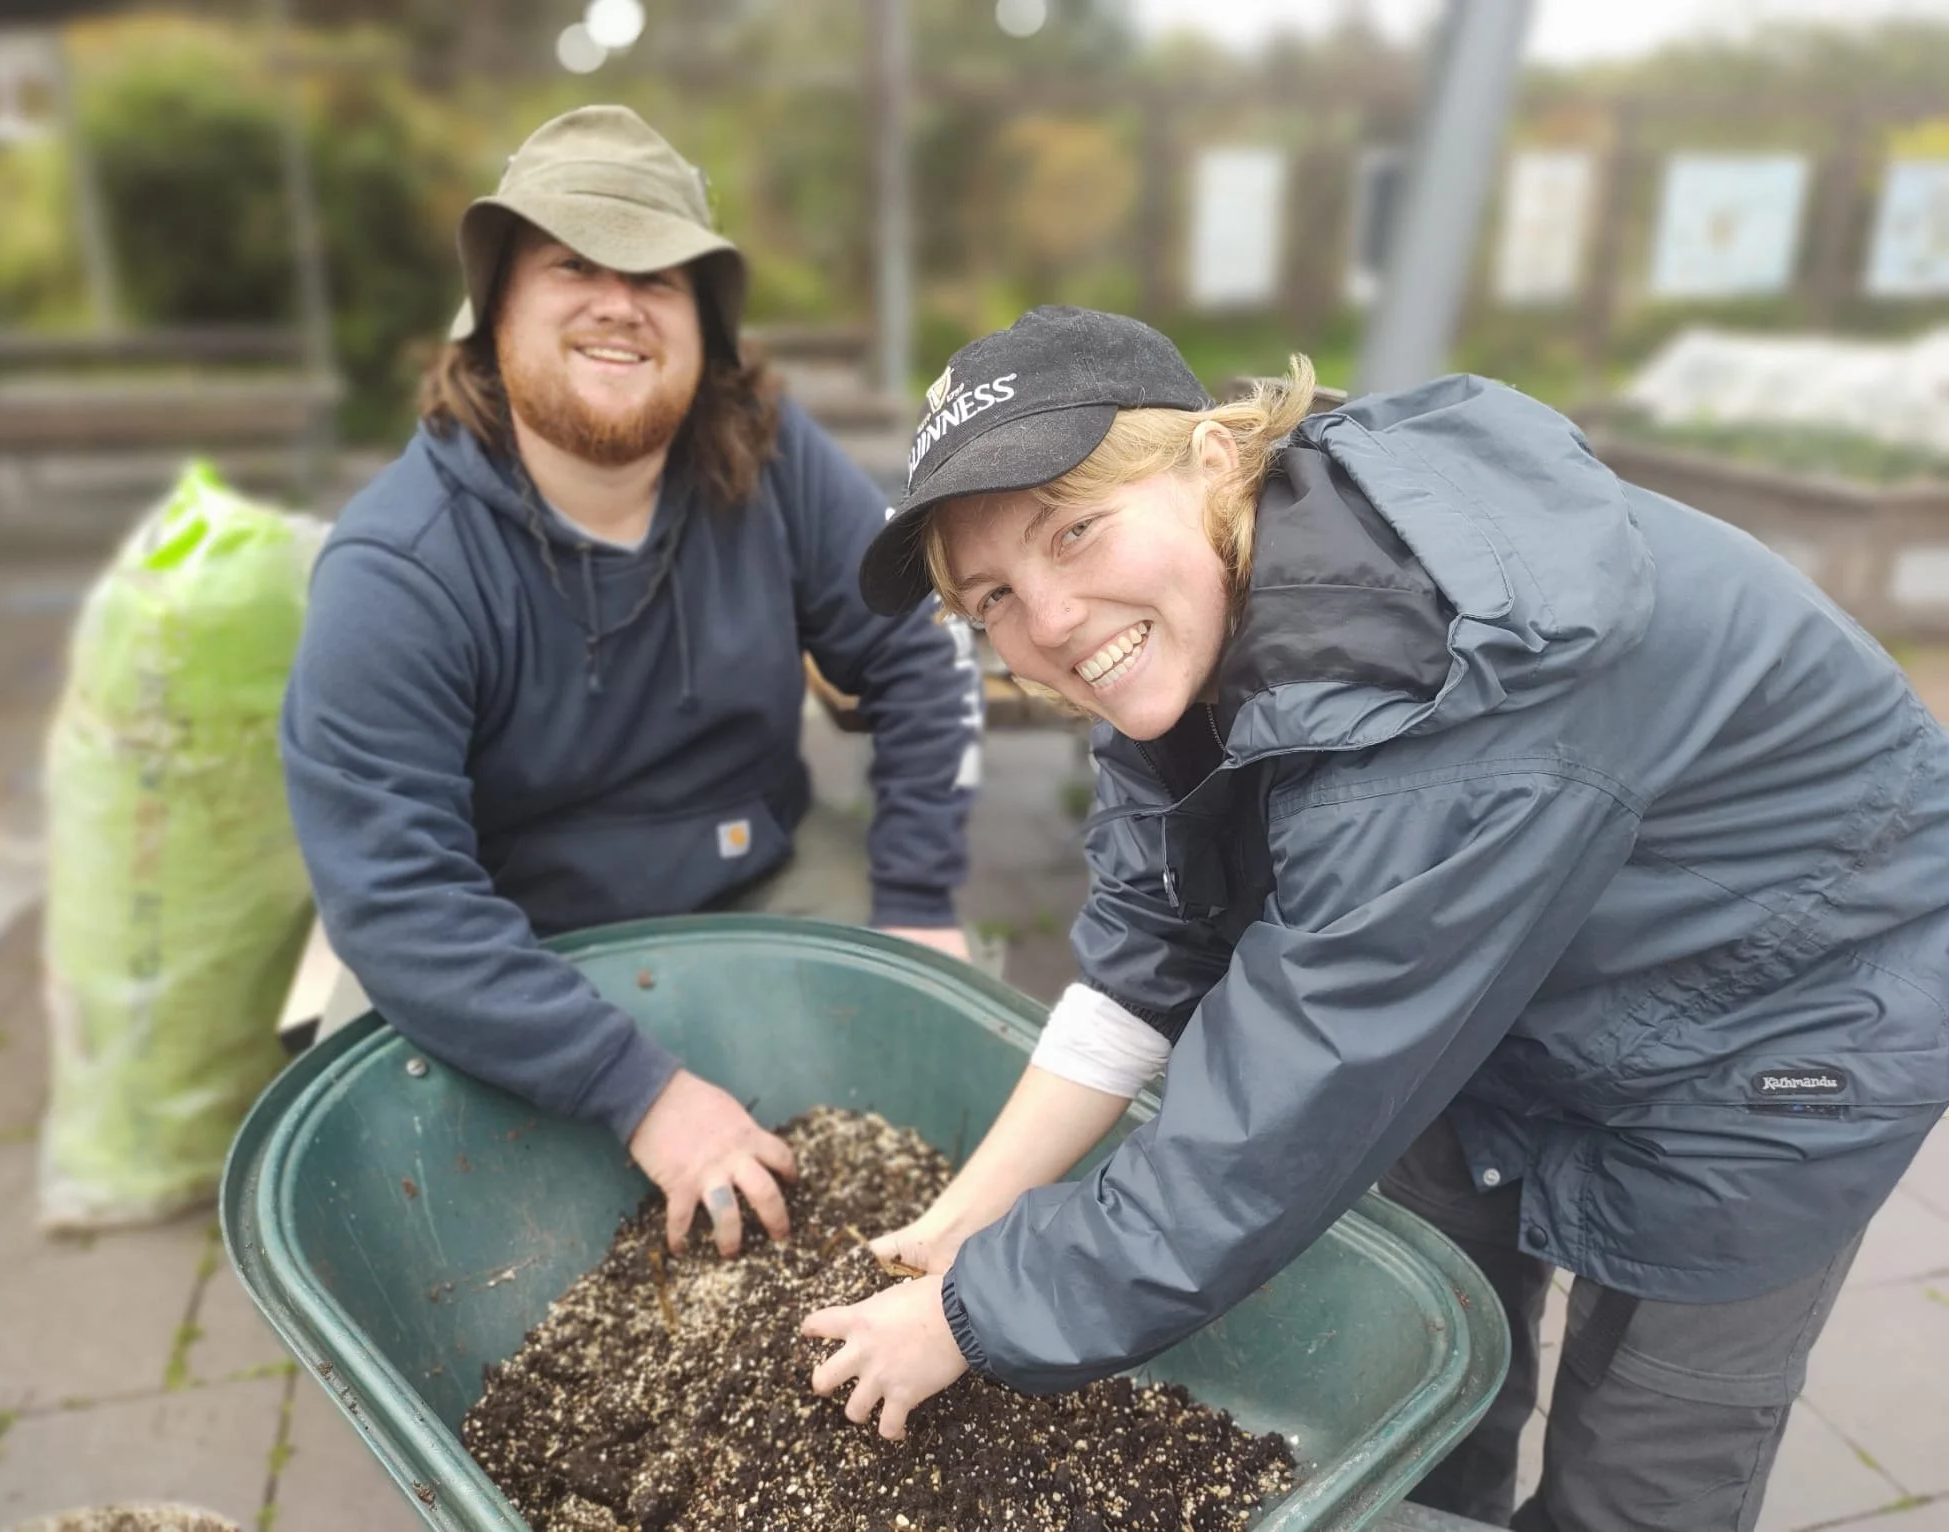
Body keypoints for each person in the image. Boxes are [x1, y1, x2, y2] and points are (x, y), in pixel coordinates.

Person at [801, 305, 1949, 1532]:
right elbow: (1152, 941)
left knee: (1641, 1469)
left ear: (1207, 461)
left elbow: (1287, 1108)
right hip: (1505, 965)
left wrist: (972, 1315)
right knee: (1432, 1364)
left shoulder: (1434, 688)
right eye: (992, 600)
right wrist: (962, 1216)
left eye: (1071, 531)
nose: (1050, 621)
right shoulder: (1193, 616)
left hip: (1780, 1018)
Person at [280, 106, 983, 1262]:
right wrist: (646, 1090)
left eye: (657, 274)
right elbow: (399, 899)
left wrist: (916, 900)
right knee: (412, 1208)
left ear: (704, 322)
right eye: (571, 264)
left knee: (940, 1061)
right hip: (511, 935)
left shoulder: (769, 455)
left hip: (753, 873)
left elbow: (915, 648)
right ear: (492, 310)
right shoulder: (397, 568)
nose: (618, 300)